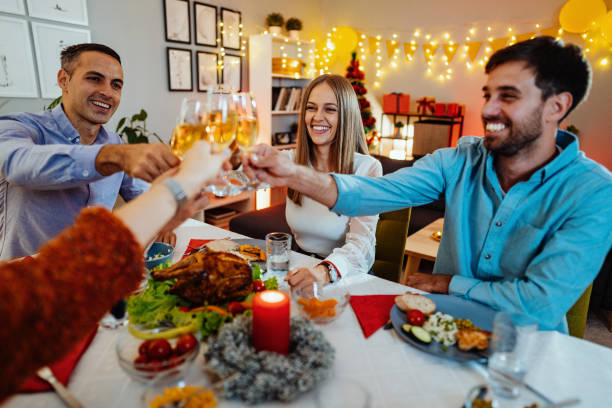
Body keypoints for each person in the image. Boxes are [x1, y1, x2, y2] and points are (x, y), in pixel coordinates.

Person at [245, 37, 612, 332]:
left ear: (557, 106)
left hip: (527, 351)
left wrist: (449, 283)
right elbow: (367, 194)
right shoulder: (458, 160)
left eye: (508, 96)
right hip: (437, 330)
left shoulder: (595, 192)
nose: (487, 109)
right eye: (488, 95)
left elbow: (540, 302)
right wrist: (290, 171)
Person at [0, 141, 226, 403]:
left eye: (119, 94)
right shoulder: (22, 129)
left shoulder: (114, 138)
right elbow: (41, 295)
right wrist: (176, 186)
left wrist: (166, 209)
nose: (109, 96)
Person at [0, 43, 181, 260]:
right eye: (94, 79)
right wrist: (112, 157)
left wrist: (163, 218)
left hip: (95, 276)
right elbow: (18, 165)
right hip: (25, 281)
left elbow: (143, 195)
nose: (107, 92)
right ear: (64, 80)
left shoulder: (114, 142)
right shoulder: (20, 127)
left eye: (116, 85)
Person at [283, 75, 382, 292]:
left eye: (330, 109)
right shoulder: (291, 162)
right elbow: (241, 176)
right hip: (300, 267)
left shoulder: (367, 168)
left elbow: (360, 248)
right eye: (311, 108)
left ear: (346, 115)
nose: (317, 117)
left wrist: (323, 271)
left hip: (345, 276)